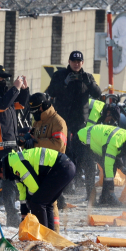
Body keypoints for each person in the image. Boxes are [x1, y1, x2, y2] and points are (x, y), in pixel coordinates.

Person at [0, 65, 30, 227]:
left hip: (9, 147)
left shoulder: (5, 95)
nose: (5, 81)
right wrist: (15, 88)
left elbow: (21, 104)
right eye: (1, 78)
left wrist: (23, 90)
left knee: (10, 184)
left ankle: (12, 217)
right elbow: (1, 105)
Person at [47, 51, 102, 191]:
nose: (76, 64)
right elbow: (51, 92)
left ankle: (79, 179)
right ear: (69, 62)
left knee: (82, 151)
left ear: (82, 63)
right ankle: (66, 182)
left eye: (79, 62)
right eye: (74, 61)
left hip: (80, 120)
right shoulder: (59, 75)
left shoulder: (87, 77)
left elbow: (98, 94)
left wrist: (89, 84)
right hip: (63, 119)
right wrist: (65, 83)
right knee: (65, 150)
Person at [0, 147, 75, 229]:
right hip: (65, 167)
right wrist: (24, 214)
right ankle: (49, 237)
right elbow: (22, 192)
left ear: (2, 169)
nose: (1, 178)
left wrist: (30, 202)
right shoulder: (13, 167)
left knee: (37, 203)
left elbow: (34, 187)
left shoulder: (15, 164)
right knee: (46, 203)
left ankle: (43, 237)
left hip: (62, 167)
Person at [20, 92, 68, 232]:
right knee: (39, 202)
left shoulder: (58, 122)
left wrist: (35, 144)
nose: (34, 114)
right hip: (40, 168)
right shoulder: (38, 121)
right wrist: (25, 141)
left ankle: (55, 234)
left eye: (36, 111)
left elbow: (59, 145)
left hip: (54, 168)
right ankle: (42, 232)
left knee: (50, 202)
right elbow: (33, 138)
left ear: (43, 107)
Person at [76, 124, 126, 206]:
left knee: (113, 166)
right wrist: (111, 191)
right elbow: (108, 166)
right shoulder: (113, 144)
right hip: (81, 140)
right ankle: (92, 199)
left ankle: (105, 197)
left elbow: (115, 154)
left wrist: (122, 167)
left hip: (95, 141)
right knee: (90, 169)